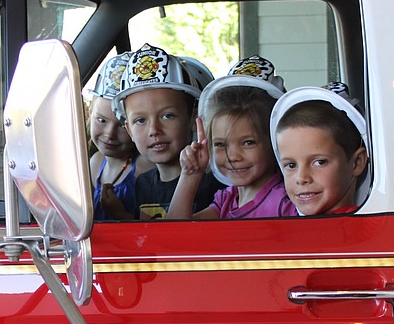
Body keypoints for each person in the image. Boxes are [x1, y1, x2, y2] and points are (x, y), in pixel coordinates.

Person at [169, 55, 294, 220]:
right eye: (220, 144)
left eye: (248, 143)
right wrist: (190, 176)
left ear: (274, 142)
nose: (233, 156)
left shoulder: (285, 203)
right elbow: (178, 231)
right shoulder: (226, 200)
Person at [112, 44, 224, 219]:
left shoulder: (215, 184)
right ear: (129, 130)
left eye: (167, 116)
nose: (154, 130)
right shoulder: (142, 184)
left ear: (193, 119)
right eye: (140, 120)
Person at [270, 82, 369, 216]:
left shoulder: (354, 230)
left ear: (357, 162)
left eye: (319, 162)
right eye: (291, 165)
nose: (301, 178)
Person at [85, 53, 151, 220]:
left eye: (122, 125)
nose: (109, 134)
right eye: (101, 120)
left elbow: (151, 232)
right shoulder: (96, 163)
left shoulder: (145, 169)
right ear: (90, 113)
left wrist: (120, 215)